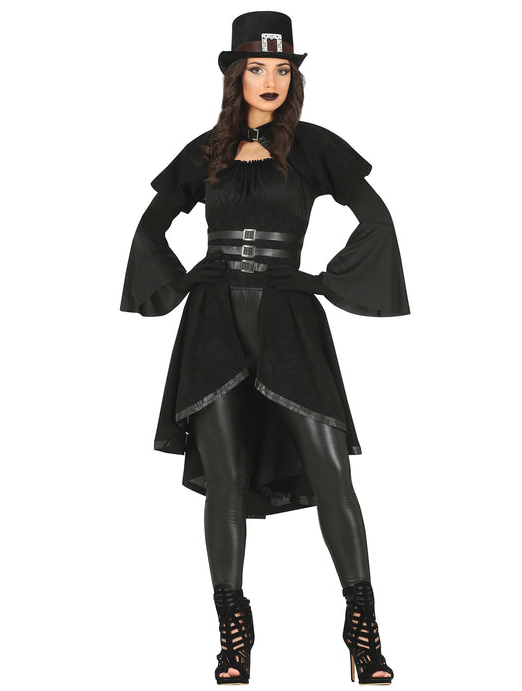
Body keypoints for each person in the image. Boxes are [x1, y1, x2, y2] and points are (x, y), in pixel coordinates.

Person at [120, 10, 409, 686]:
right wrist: (184, 280)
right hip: (214, 324)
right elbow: (149, 227)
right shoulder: (206, 153)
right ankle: (233, 633)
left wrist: (321, 282)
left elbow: (377, 218)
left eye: (282, 68)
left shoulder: (312, 146)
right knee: (223, 479)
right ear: (235, 75)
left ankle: (361, 627)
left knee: (332, 472)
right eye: (257, 67)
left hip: (288, 318)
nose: (271, 79)